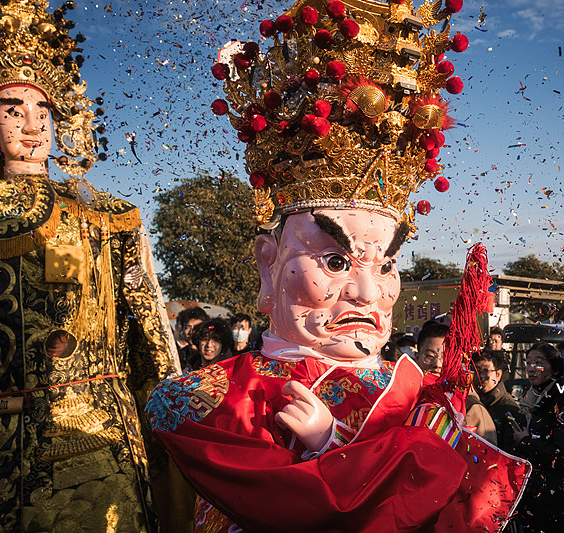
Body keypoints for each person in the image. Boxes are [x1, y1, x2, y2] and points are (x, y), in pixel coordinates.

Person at [145, 0, 530, 530]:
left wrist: (331, 443)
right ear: (268, 266)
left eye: (387, 264)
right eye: (334, 260)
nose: (368, 293)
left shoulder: (421, 396)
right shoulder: (211, 402)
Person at [0, 2, 178, 531]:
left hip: (106, 430)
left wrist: (171, 409)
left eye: (43, 112)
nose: (32, 125)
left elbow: (147, 322)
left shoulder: (109, 214)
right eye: (13, 110)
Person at [511, 343, 564, 532]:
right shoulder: (532, 398)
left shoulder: (562, 401)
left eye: (538, 363)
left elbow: (562, 455)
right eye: (528, 363)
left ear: (554, 368)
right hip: (535, 493)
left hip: (556, 497)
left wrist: (526, 442)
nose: (531, 369)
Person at [416, 323, 498, 444]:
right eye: (429, 356)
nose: (437, 364)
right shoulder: (405, 396)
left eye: (445, 357)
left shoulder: (470, 406)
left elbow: (485, 452)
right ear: (416, 357)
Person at [473, 350, 521, 449]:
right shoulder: (471, 401)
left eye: (486, 371)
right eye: (477, 371)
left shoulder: (509, 409)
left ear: (498, 374)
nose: (481, 376)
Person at [177, 306, 210, 371]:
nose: (191, 332)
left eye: (196, 328)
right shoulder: (179, 355)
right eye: (188, 327)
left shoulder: (210, 355)